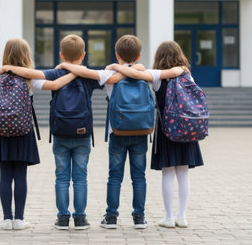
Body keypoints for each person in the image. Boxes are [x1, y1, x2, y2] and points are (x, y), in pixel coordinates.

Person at [58, 35, 183, 229]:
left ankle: (111, 217)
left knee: (115, 176)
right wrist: (138, 67)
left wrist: (64, 66)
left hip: (117, 132)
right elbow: (151, 71)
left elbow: (85, 72)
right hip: (142, 131)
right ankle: (139, 217)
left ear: (117, 54)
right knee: (139, 177)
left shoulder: (110, 75)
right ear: (140, 55)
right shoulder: (146, 73)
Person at [0, 35, 112, 230]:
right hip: (82, 134)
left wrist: (7, 68)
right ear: (83, 55)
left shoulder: (55, 73)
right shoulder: (88, 75)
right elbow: (110, 72)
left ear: (61, 54)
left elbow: (29, 73)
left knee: (61, 177)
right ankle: (81, 218)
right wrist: (81, 70)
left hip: (60, 132)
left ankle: (63, 218)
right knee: (80, 177)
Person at [106, 40, 204, 229]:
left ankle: (168, 217)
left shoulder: (156, 77)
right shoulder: (187, 75)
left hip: (167, 128)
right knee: (183, 173)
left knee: (168, 172)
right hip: (187, 128)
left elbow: (133, 73)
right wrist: (181, 69)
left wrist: (114, 66)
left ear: (158, 57)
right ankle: (182, 216)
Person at [0, 38, 76, 231]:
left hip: (1, 132)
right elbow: (54, 85)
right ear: (26, 56)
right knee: (20, 175)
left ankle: (5, 220)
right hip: (22, 130)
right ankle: (19, 219)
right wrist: (73, 74)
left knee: (5, 176)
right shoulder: (28, 79)